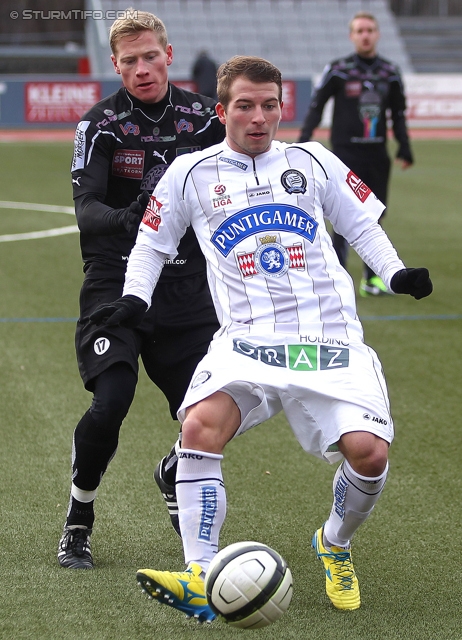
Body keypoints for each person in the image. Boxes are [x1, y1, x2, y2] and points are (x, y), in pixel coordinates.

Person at [90, 55, 432, 620]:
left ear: (281, 108)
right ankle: (200, 576)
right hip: (247, 339)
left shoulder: (313, 160)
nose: (258, 117)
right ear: (223, 110)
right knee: (197, 424)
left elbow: (360, 225)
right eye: (245, 106)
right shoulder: (190, 174)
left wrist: (394, 272)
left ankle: (335, 543)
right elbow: (151, 245)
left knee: (368, 455)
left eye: (269, 105)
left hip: (330, 339)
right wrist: (135, 298)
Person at [57, 9, 225, 570]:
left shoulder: (205, 120)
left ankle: (175, 467)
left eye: (150, 56)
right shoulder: (100, 125)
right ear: (116, 65)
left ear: (168, 55)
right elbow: (86, 211)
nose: (143, 68)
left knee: (213, 413)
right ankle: (79, 518)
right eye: (130, 61)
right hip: (116, 280)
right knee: (112, 403)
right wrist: (132, 218)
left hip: (186, 285)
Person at [298, 11, 414, 297]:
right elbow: (317, 105)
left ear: (377, 34)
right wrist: (304, 138)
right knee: (341, 218)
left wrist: (404, 145)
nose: (365, 35)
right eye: (360, 30)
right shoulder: (338, 69)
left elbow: (398, 113)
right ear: (352, 36)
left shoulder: (390, 72)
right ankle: (336, 278)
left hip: (377, 154)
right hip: (345, 155)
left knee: (374, 215)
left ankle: (371, 279)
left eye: (370, 30)